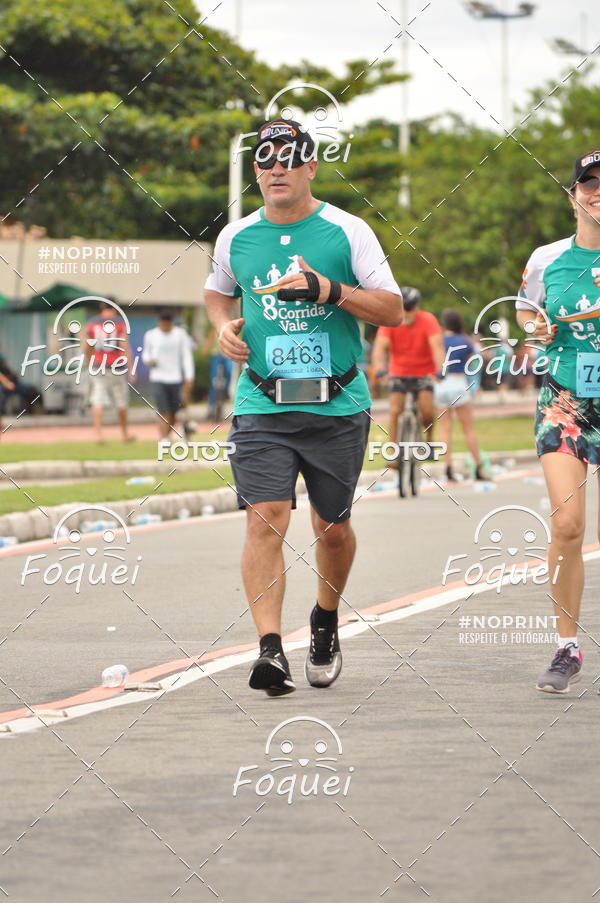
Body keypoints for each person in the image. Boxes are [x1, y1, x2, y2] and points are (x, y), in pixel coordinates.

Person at [204, 118, 403, 696]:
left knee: (331, 529)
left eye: (289, 158)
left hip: (337, 404)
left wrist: (329, 290)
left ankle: (325, 619)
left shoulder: (347, 231)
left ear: (311, 167)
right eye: (264, 158)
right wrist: (224, 327)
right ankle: (270, 650)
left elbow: (391, 311)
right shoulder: (235, 237)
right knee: (267, 518)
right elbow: (218, 290)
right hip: (261, 402)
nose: (275, 168)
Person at [516, 148, 600, 694]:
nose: (598, 194)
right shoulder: (547, 258)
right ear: (573, 195)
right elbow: (526, 307)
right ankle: (566, 647)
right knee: (568, 524)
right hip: (568, 400)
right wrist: (536, 327)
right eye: (589, 184)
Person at [371, 287, 444, 457]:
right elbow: (379, 348)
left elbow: (437, 347)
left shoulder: (428, 320)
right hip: (399, 372)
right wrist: (379, 369)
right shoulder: (391, 320)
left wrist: (440, 370)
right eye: (403, 308)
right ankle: (392, 452)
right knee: (395, 411)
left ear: (417, 308)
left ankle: (429, 439)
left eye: (410, 309)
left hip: (424, 372)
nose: (406, 313)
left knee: (427, 411)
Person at [435, 309, 486, 482]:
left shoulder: (438, 340)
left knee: (445, 429)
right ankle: (479, 468)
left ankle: (447, 467)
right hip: (458, 383)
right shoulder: (465, 341)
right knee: (468, 429)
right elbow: (474, 363)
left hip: (440, 384)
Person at [85, 299, 136, 443]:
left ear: (102, 307)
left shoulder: (92, 322)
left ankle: (98, 435)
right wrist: (131, 368)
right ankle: (125, 434)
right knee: (121, 401)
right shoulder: (119, 322)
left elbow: (87, 345)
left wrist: (89, 361)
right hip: (116, 366)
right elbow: (124, 345)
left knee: (97, 398)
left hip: (98, 365)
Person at [142, 309, 195, 438]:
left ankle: (167, 436)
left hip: (175, 378)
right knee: (163, 410)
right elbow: (146, 354)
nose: (165, 327)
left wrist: (189, 376)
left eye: (167, 324)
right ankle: (163, 438)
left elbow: (186, 356)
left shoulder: (180, 335)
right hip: (158, 378)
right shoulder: (151, 335)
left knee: (174, 412)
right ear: (159, 323)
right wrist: (148, 361)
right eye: (163, 324)